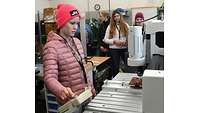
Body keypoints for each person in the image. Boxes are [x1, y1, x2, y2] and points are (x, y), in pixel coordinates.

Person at [42, 3, 96, 111]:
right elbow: (49, 78)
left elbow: (83, 69)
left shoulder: (77, 42)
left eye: (77, 23)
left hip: (85, 96)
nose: (76, 27)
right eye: (72, 23)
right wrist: (61, 90)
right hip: (70, 102)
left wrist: (91, 88)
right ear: (61, 23)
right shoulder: (51, 47)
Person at [103, 9, 129, 77]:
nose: (116, 17)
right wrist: (114, 41)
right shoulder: (110, 26)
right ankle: (115, 81)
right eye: (115, 16)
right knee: (115, 67)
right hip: (114, 49)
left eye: (118, 16)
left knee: (128, 66)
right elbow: (105, 39)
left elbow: (130, 37)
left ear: (120, 16)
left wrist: (125, 42)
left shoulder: (126, 25)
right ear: (113, 18)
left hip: (124, 48)